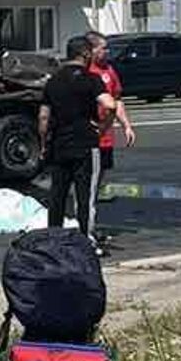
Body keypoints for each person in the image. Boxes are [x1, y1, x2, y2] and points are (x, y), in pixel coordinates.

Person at [39, 36, 118, 238]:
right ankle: (86, 239)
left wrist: (43, 144)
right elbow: (110, 104)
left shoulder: (53, 81)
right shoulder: (91, 79)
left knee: (57, 195)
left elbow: (43, 118)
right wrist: (103, 127)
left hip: (60, 145)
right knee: (86, 197)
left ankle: (54, 238)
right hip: (86, 145)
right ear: (85, 54)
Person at [84, 32, 136, 227]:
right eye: (102, 48)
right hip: (88, 136)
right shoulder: (86, 71)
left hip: (105, 137)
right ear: (92, 50)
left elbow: (117, 100)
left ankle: (91, 220)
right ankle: (86, 224)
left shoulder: (109, 71)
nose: (106, 51)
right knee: (87, 180)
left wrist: (126, 126)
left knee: (98, 179)